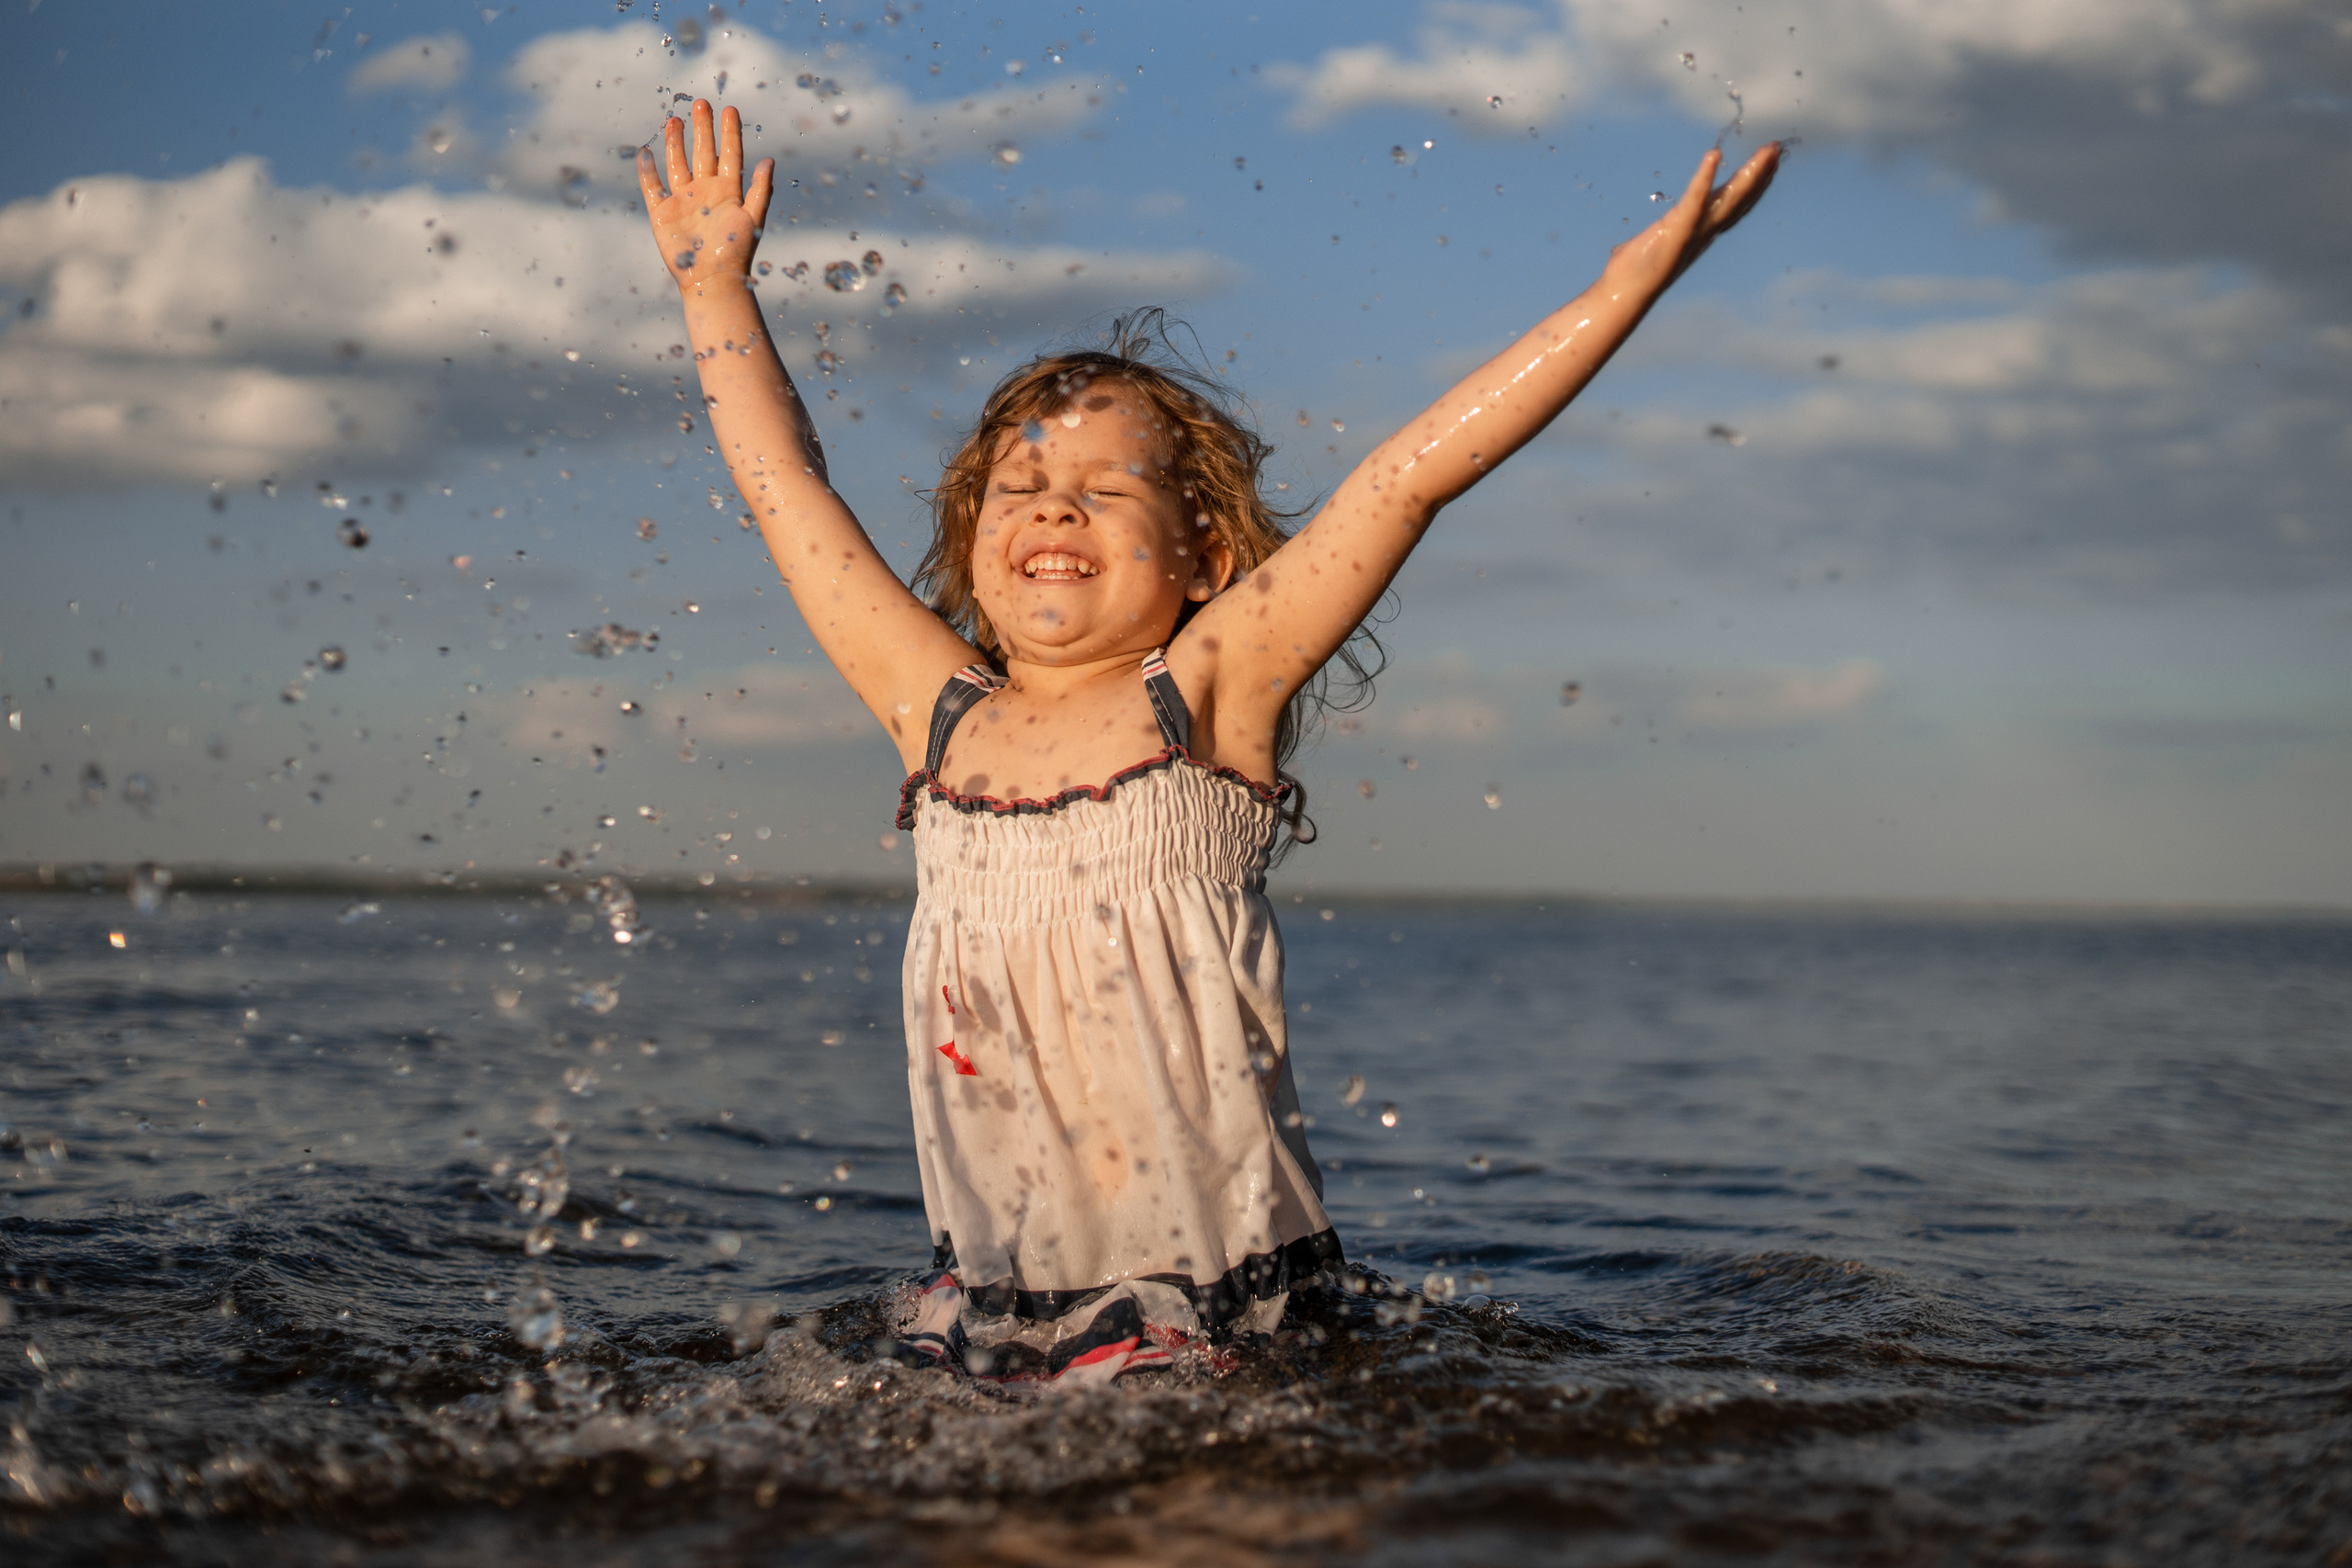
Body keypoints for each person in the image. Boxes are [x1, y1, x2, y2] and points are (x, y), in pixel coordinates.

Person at [637, 100, 1778, 1382]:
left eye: (1108, 488)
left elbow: (1406, 481)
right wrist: (713, 287)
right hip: (1001, 1300)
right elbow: (783, 485)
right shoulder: (932, 707)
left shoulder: (1211, 689)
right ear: (971, 544)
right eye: (1017, 487)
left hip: (1223, 1296)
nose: (1052, 501)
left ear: (1207, 560)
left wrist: (1621, 291)